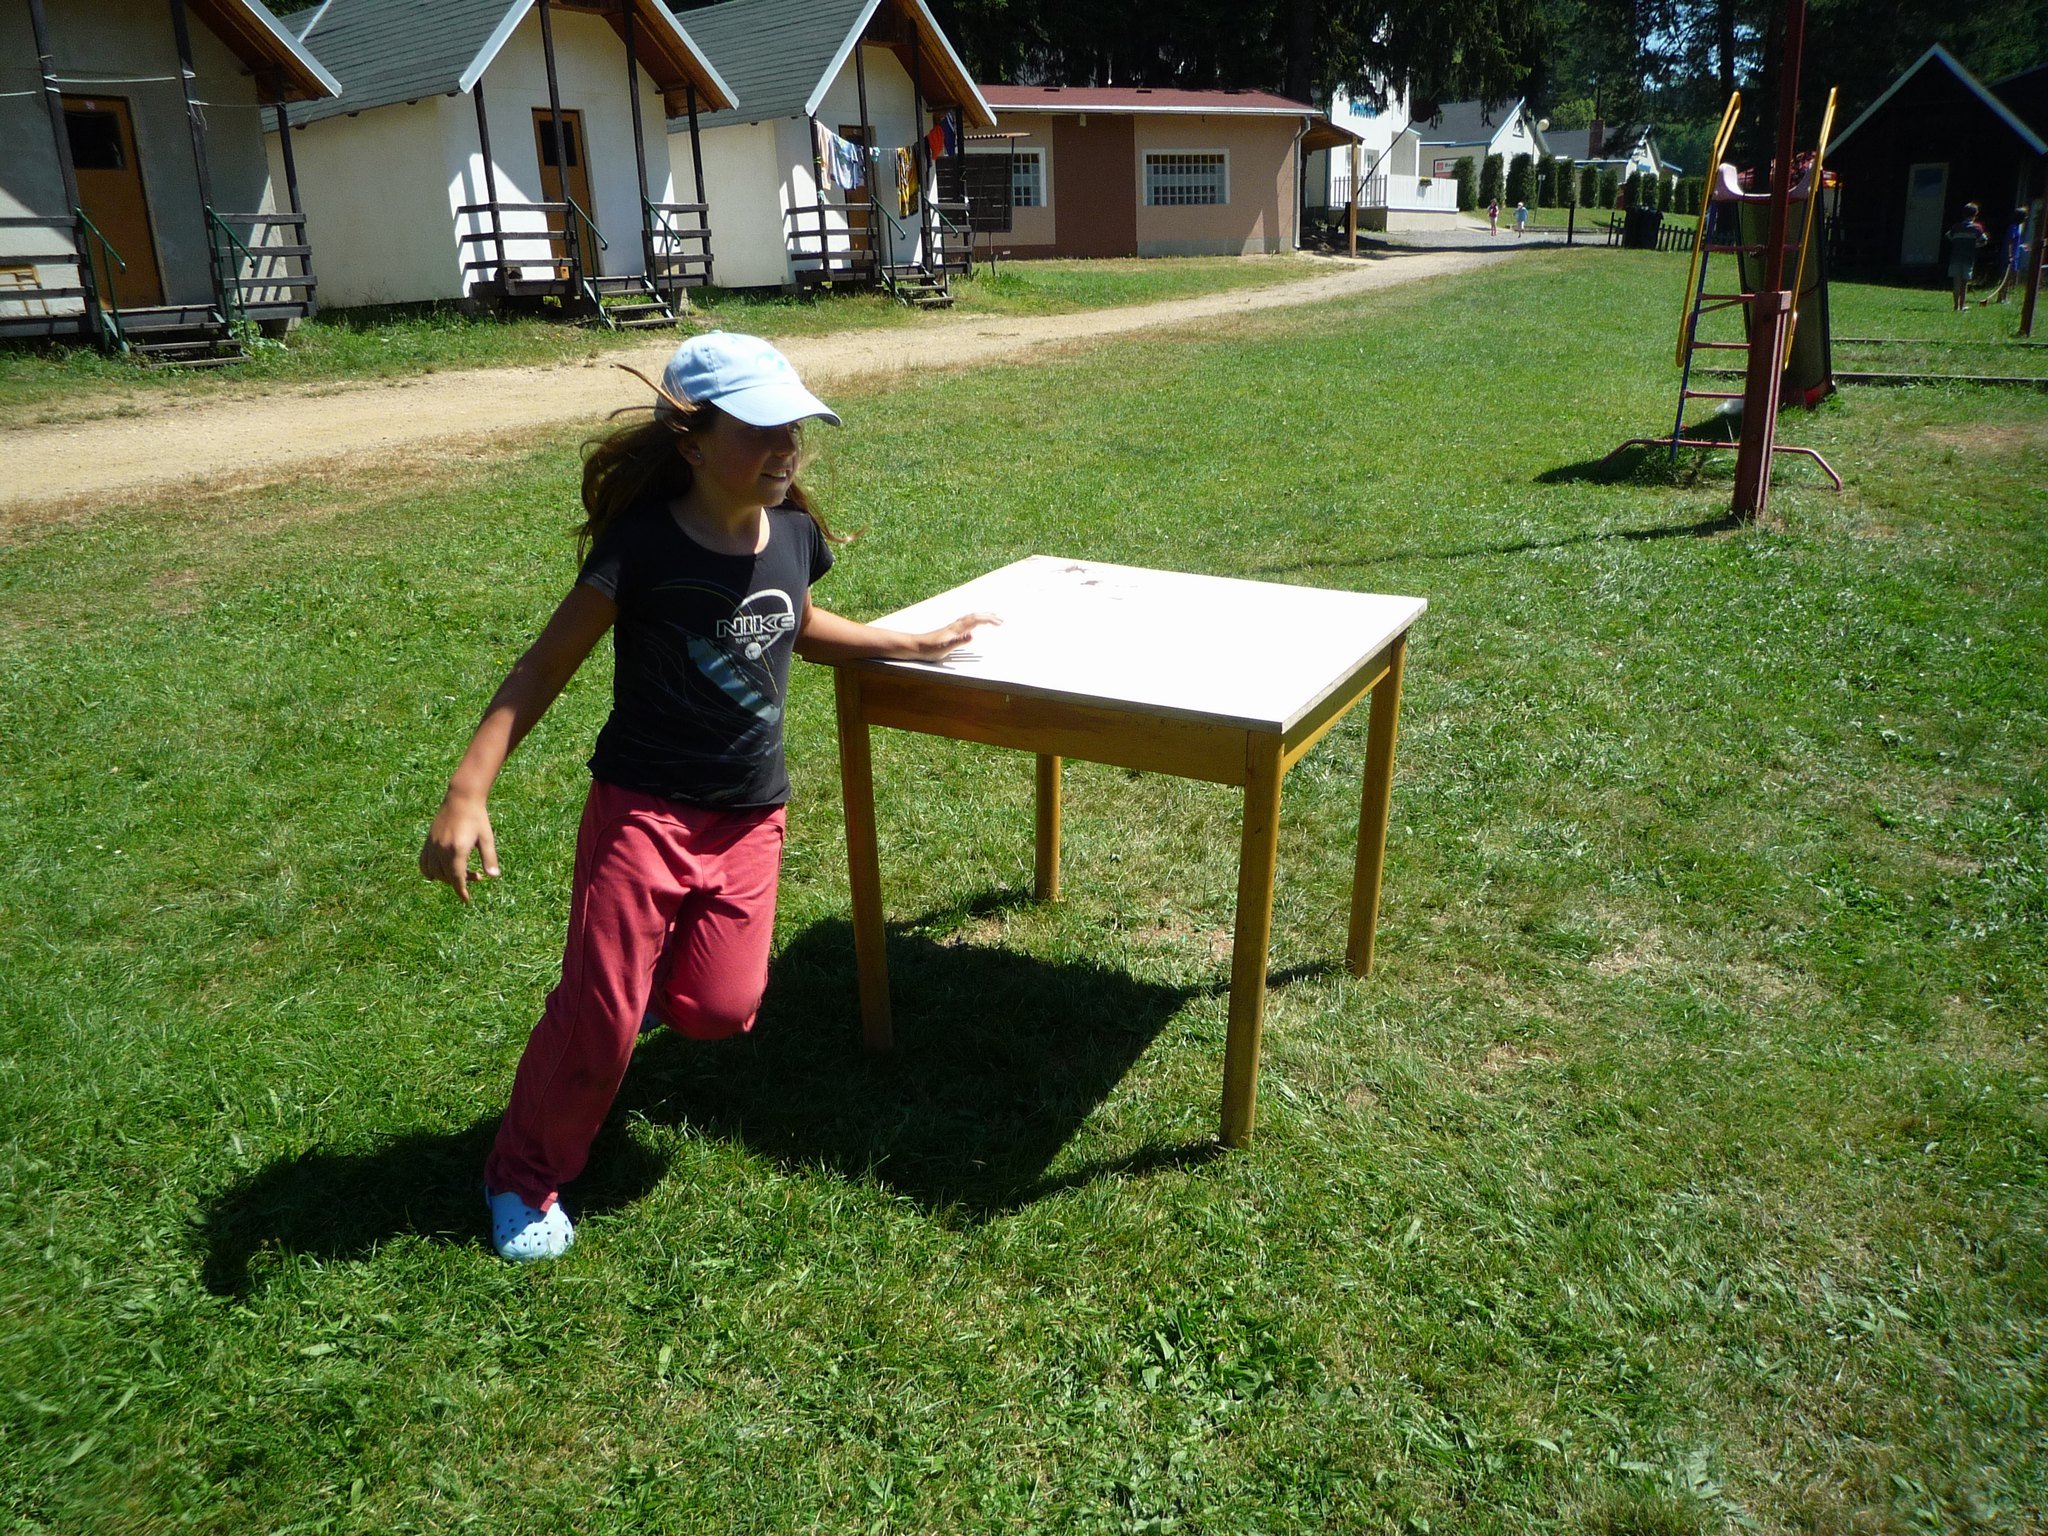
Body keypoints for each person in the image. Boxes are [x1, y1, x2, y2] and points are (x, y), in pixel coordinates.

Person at [420, 332, 998, 1261]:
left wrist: (906, 643)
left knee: (720, 1010)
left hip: (750, 814)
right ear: (691, 444)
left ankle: (638, 992)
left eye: (794, 428)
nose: (786, 447)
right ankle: (522, 1176)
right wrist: (467, 789)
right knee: (600, 1020)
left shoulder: (794, 535)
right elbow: (543, 666)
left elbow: (792, 621)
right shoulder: (642, 546)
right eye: (760, 430)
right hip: (643, 812)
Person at [1981, 206, 2028, 305]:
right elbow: (2009, 241)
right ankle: (2001, 297)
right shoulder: (2013, 227)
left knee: (2010, 277)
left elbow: (2015, 242)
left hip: (2015, 256)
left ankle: (2004, 297)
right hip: (2009, 257)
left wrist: (2022, 246)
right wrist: (2009, 255)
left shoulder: (2018, 227)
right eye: (2025, 216)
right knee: (2006, 277)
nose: (2026, 218)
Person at [1946, 202, 1986, 311]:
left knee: (1956, 282)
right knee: (1964, 283)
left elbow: (1948, 235)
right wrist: (1975, 245)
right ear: (1975, 214)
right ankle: (1962, 305)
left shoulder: (1957, 226)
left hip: (1955, 257)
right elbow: (1984, 240)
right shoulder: (1977, 227)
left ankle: (1955, 306)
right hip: (1968, 258)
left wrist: (1957, 242)